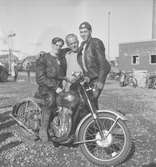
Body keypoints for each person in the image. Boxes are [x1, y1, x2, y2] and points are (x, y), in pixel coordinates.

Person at [35, 37, 67, 142]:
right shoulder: (43, 58)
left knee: (68, 100)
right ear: (52, 45)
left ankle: (59, 126)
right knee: (51, 99)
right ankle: (43, 129)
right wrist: (55, 87)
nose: (58, 48)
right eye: (56, 45)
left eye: (60, 46)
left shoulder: (60, 59)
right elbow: (40, 78)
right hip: (45, 87)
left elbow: (69, 49)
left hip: (58, 87)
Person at [77, 21, 111, 109]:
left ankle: (95, 121)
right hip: (88, 79)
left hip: (96, 80)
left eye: (85, 31)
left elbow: (103, 64)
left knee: (90, 102)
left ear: (90, 31)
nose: (83, 34)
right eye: (81, 32)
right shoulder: (83, 45)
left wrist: (100, 82)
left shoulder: (96, 42)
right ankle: (92, 121)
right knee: (89, 104)